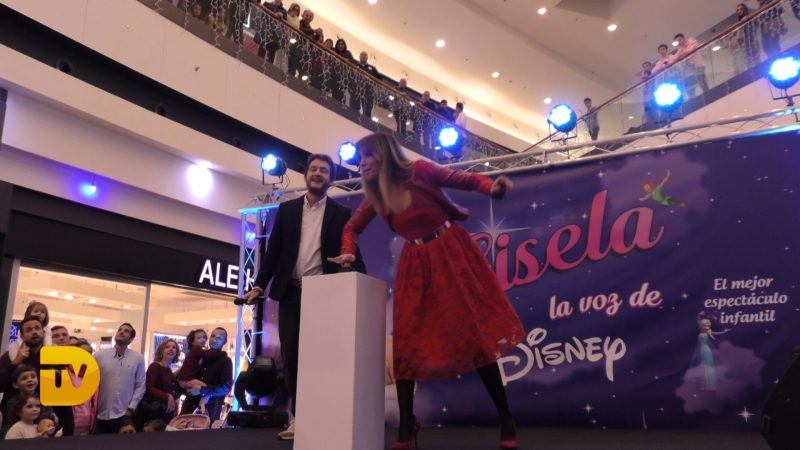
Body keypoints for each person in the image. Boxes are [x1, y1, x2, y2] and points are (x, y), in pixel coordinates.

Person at [328, 133, 524, 450]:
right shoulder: (376, 196)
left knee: (474, 337)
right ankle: (407, 425)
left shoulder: (420, 171)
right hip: (415, 264)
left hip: (450, 253)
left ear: (384, 155)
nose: (361, 163)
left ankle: (506, 418)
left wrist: (492, 188)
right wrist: (348, 251)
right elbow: (351, 227)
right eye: (359, 158)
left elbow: (466, 180)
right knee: (406, 343)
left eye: (367, 156)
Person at [241, 154, 367, 440]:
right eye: (314, 169)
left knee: (324, 358)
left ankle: (327, 416)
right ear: (306, 175)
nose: (318, 173)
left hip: (325, 294)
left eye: (324, 170)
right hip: (291, 294)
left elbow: (353, 252)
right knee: (292, 356)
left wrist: (362, 279)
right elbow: (272, 253)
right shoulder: (286, 210)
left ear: (331, 179)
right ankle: (300, 419)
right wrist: (259, 286)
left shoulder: (340, 213)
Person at [93, 323, 146, 434]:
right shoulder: (99, 356)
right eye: (120, 330)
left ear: (131, 339)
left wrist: (131, 408)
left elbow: (140, 385)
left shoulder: (138, 358)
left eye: (126, 331)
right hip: (100, 414)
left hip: (124, 415)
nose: (121, 332)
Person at [178, 328, 232, 424]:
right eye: (213, 336)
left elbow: (226, 387)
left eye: (219, 338)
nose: (214, 340)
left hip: (209, 409)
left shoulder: (225, 361)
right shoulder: (201, 356)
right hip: (189, 405)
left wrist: (202, 390)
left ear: (225, 342)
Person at [137, 339, 179, 429]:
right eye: (167, 347)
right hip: (154, 412)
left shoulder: (169, 370)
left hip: (165, 412)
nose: (171, 349)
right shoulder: (154, 366)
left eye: (174, 347)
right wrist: (167, 396)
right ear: (161, 351)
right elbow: (149, 388)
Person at [70, 339, 98, 435]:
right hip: (70, 426)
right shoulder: (66, 373)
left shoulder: (93, 376)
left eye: (89, 353)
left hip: (88, 427)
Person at [354, 51, 380, 118]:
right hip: (356, 89)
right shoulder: (354, 65)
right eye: (362, 54)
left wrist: (375, 86)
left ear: (367, 57)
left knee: (367, 109)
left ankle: (366, 120)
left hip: (368, 91)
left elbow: (379, 79)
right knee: (354, 107)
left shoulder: (372, 68)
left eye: (365, 55)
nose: (363, 56)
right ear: (359, 56)